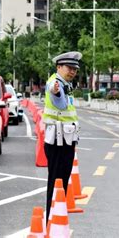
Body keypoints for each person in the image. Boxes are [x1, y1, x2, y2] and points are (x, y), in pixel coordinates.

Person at [43, 51, 82, 220]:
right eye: (69, 68)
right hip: (58, 141)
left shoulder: (65, 83)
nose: (72, 71)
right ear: (59, 67)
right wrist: (56, 92)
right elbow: (56, 96)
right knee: (57, 182)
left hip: (65, 139)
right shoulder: (55, 83)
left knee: (62, 182)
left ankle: (57, 217)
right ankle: (52, 219)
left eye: (75, 69)